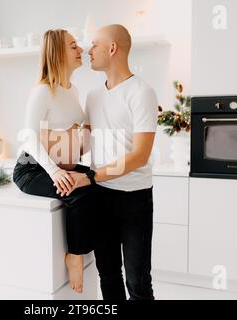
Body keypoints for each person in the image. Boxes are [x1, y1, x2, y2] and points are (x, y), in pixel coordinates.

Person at [65, 24, 158, 300]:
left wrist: (92, 177)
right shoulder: (93, 96)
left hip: (134, 199)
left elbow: (140, 155)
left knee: (138, 281)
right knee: (108, 274)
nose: (88, 50)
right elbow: (85, 142)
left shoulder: (142, 92)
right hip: (100, 197)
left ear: (113, 48)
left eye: (95, 45)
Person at [12, 29, 95, 293]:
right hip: (32, 168)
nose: (80, 49)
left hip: (58, 164)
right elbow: (28, 137)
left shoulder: (73, 90)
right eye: (73, 46)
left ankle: (96, 252)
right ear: (58, 53)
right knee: (78, 192)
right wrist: (55, 172)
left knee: (97, 181)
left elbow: (81, 128)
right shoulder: (43, 91)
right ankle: (75, 255)